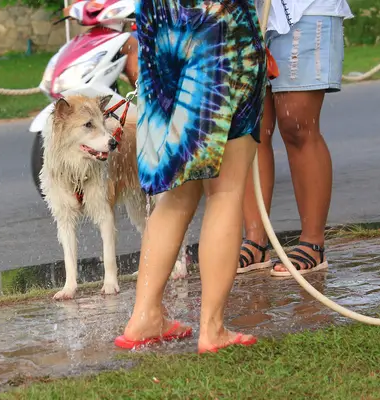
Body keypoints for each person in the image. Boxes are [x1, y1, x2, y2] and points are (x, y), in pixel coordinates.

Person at [114, 0, 268, 353]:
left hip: (161, 20)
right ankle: (212, 328)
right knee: (225, 190)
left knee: (178, 188)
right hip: (216, 23)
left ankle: (145, 316)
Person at [238, 0, 353, 276]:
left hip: (307, 9)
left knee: (297, 124)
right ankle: (255, 240)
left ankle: (313, 242)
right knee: (252, 126)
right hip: (245, 12)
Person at [62, 0, 139, 87]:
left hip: (138, 30)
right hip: (99, 34)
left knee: (130, 44)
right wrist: (76, 10)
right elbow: (68, 11)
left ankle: (146, 93)